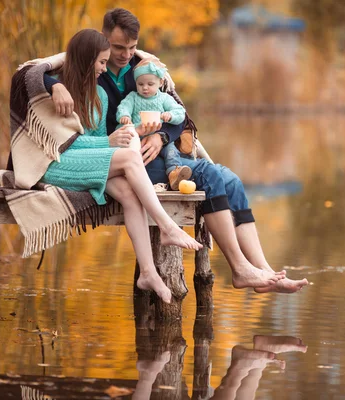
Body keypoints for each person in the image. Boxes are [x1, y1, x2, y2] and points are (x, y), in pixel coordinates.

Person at [47, 9, 307, 293]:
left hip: (154, 151)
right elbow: (34, 74)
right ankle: (240, 268)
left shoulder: (144, 69)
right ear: (105, 39)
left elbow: (179, 116)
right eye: (118, 47)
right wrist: (55, 84)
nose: (125, 55)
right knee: (208, 175)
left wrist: (161, 135)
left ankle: (264, 272)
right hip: (127, 159)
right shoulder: (91, 67)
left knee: (231, 180)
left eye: (132, 47)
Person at [34, 29, 210, 304]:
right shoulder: (56, 91)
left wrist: (130, 132)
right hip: (55, 165)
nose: (105, 68)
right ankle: (166, 226)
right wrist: (109, 141)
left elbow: (96, 143)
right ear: (86, 58)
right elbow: (59, 146)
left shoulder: (100, 96)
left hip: (86, 164)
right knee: (128, 156)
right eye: (101, 62)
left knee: (129, 190)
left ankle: (148, 273)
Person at [116, 58, 192, 191]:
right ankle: (130, 173)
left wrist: (171, 115)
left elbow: (180, 112)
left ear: (160, 82)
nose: (145, 88)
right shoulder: (133, 97)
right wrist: (125, 116)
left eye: (150, 84)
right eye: (140, 84)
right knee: (130, 148)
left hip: (159, 139)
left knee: (171, 151)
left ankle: (174, 173)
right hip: (139, 138)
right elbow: (123, 107)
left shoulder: (164, 98)